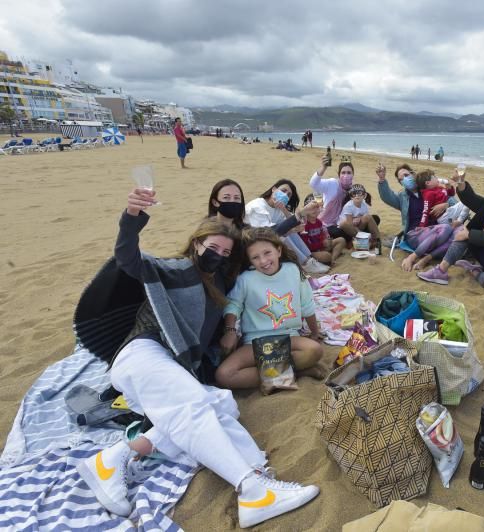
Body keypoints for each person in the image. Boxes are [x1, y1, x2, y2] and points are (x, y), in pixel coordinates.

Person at [74, 188, 319, 528]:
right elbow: (129, 259)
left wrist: (296, 218)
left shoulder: (220, 278)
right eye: (212, 248)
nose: (218, 255)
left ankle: (111, 460)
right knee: (195, 408)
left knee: (221, 404)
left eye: (226, 251)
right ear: (196, 244)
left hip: (169, 367)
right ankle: (252, 490)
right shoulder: (177, 269)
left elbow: (261, 245)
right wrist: (132, 219)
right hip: (143, 352)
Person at [216, 228, 324, 389]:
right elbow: (234, 305)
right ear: (249, 260)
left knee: (315, 350)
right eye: (255, 257)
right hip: (254, 341)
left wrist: (314, 332)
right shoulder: (245, 279)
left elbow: (306, 304)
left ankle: (278, 375)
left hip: (288, 337)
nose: (263, 260)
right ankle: (298, 373)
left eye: (267, 253)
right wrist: (230, 330)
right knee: (224, 375)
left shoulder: (293, 271)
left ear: (278, 250)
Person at [376, 163, 456, 271]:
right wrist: (382, 179)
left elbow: (453, 202)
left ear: (413, 174)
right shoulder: (403, 197)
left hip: (436, 229)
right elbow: (387, 197)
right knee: (447, 230)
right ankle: (413, 257)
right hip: (415, 233)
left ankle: (426, 258)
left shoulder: (430, 188)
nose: (405, 179)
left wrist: (445, 205)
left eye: (406, 175)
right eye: (401, 179)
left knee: (456, 235)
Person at [245, 179, 329, 275]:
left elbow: (294, 224)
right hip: (254, 245)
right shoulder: (257, 206)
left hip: (267, 242)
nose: (285, 195)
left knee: (288, 229)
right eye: (283, 190)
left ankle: (309, 260)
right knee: (283, 234)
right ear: (274, 189)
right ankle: (304, 263)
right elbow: (268, 233)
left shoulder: (278, 209)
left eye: (288, 195)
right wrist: (302, 213)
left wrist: (284, 209)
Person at [310, 154, 376, 241]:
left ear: (353, 175)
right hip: (328, 224)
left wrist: (358, 218)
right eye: (343, 172)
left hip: (348, 221)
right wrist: (323, 168)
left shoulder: (353, 189)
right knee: (338, 232)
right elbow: (313, 184)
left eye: (349, 173)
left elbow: (359, 207)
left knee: (375, 218)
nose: (346, 175)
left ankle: (357, 235)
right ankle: (361, 236)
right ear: (339, 174)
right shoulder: (332, 184)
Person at [299, 195, 346, 265]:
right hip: (311, 251)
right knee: (326, 256)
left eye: (317, 208)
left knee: (341, 240)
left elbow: (322, 235)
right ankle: (329, 258)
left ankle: (332, 259)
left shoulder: (318, 222)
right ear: (305, 209)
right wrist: (322, 244)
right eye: (311, 208)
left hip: (321, 247)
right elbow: (306, 246)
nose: (314, 210)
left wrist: (326, 240)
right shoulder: (304, 224)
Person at [338, 184, 381, 249]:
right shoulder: (348, 206)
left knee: (369, 217)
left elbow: (365, 218)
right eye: (354, 194)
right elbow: (349, 223)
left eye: (359, 193)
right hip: (347, 229)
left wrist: (359, 218)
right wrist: (361, 234)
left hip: (358, 226)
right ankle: (363, 239)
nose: (357, 195)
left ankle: (377, 239)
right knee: (343, 224)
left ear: (364, 195)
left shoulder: (364, 204)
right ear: (351, 197)